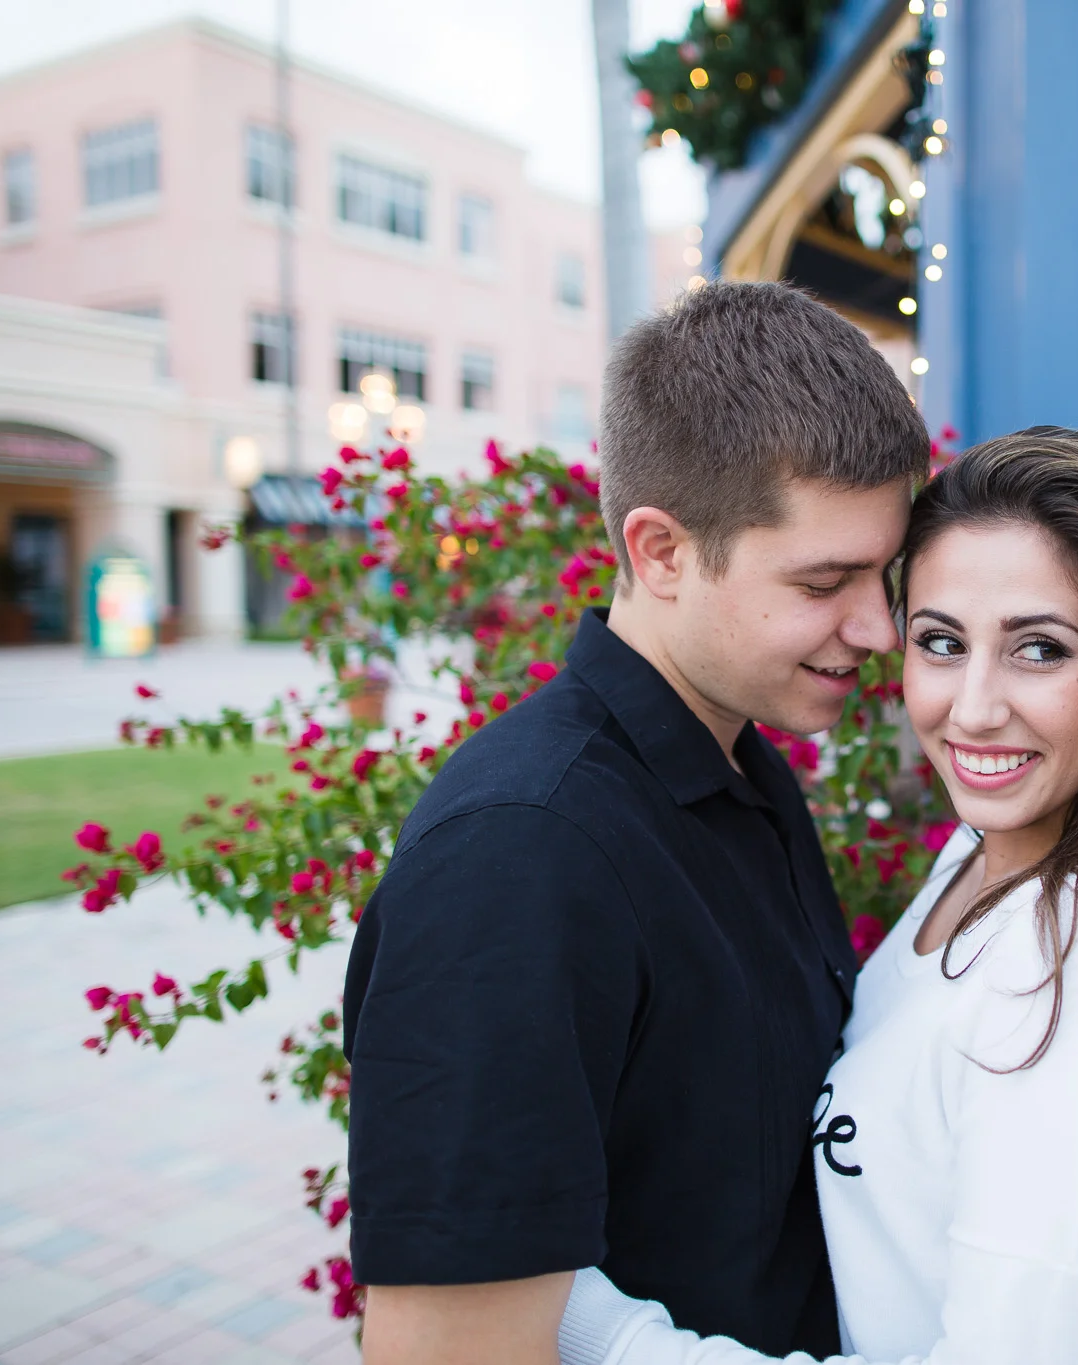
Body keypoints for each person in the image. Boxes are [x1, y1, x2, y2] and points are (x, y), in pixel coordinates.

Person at [558, 428, 1078, 1365]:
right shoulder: (984, 850)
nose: (971, 708)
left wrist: (601, 1331)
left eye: (1039, 649)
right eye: (940, 642)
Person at [341, 281, 929, 1364]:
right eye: (824, 580)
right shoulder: (520, 854)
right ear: (659, 552)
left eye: (882, 574)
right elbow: (444, 1346)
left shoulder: (743, 768)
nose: (878, 628)